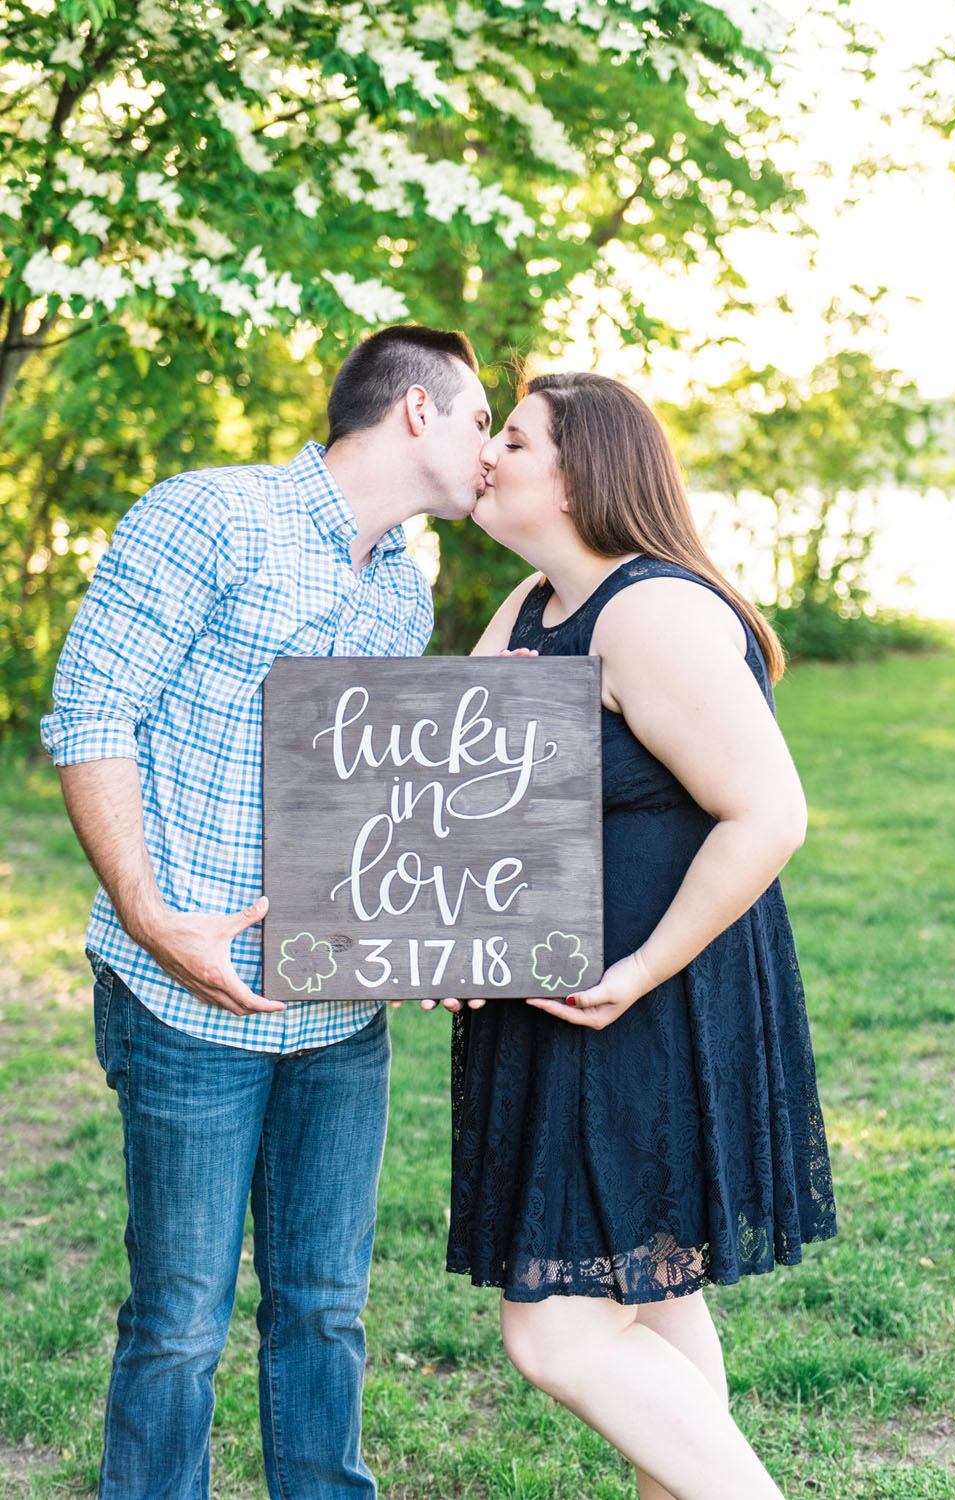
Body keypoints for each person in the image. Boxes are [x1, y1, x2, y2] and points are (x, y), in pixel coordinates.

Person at [40, 324, 491, 1500]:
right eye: (481, 419)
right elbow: (92, 714)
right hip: (188, 1000)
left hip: (336, 1019)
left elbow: (378, 798)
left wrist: (427, 933)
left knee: (327, 1308)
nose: (489, 447)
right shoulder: (209, 515)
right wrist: (151, 917)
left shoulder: (405, 582)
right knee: (181, 1321)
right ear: (414, 412)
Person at [445, 371, 837, 1500]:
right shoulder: (528, 607)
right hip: (566, 994)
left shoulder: (649, 612)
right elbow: (453, 804)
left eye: (510, 440)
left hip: (648, 997)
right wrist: (450, 948)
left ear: (578, 475)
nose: (488, 454)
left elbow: (768, 814)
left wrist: (637, 971)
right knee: (653, 1293)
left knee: (556, 1333)